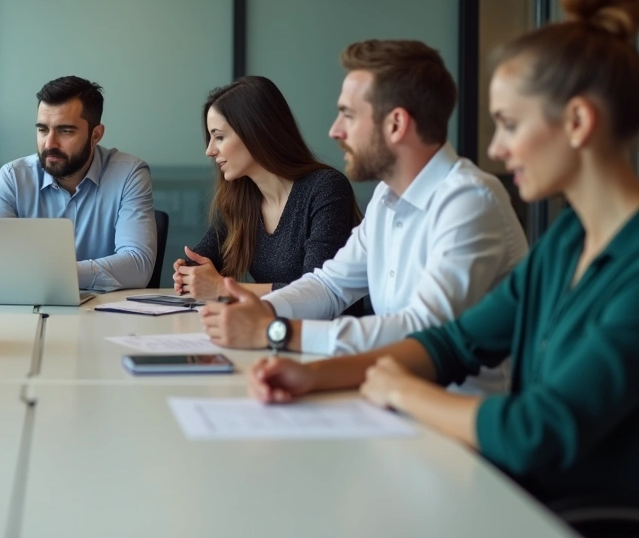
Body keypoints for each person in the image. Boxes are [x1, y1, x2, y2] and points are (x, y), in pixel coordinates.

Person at [245, 0, 639, 507]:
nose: (496, 149)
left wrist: (400, 389)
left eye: (509, 124)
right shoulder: (570, 238)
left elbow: (537, 430)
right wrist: (314, 377)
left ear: (576, 122)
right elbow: (452, 343)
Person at [200, 39, 527, 395]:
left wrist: (274, 331)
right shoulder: (387, 198)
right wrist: (259, 310)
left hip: (457, 414)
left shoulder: (468, 200)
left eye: (349, 115)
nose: (335, 130)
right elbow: (330, 285)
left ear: (396, 124)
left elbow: (421, 330)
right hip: (390, 396)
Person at [173, 76, 359, 299]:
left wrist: (222, 287)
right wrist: (189, 273)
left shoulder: (326, 188)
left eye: (219, 137)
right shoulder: (241, 198)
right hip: (270, 320)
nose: (210, 151)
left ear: (255, 131)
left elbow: (317, 292)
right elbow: (203, 259)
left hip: (328, 323)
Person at [0, 76, 156, 291]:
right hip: (28, 304)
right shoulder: (13, 177)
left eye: (65, 131)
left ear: (96, 135)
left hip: (103, 309)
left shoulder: (128, 174)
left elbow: (138, 266)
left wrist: (51, 274)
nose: (49, 144)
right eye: (42, 129)